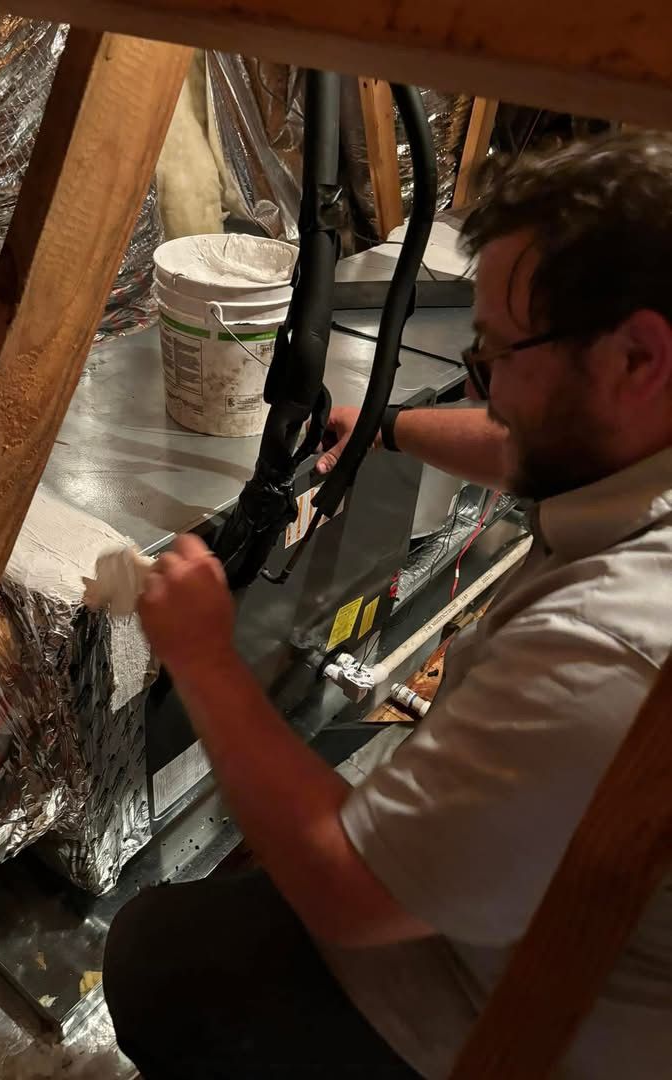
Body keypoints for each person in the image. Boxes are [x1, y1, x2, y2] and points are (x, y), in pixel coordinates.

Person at [102, 134, 672, 1079]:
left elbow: (350, 891)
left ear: (637, 357)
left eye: (495, 358)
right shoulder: (639, 444)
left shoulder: (605, 649)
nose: (482, 385)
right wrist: (386, 427)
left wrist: (204, 658)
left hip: (519, 1021)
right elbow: (533, 442)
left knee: (158, 957)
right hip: (534, 926)